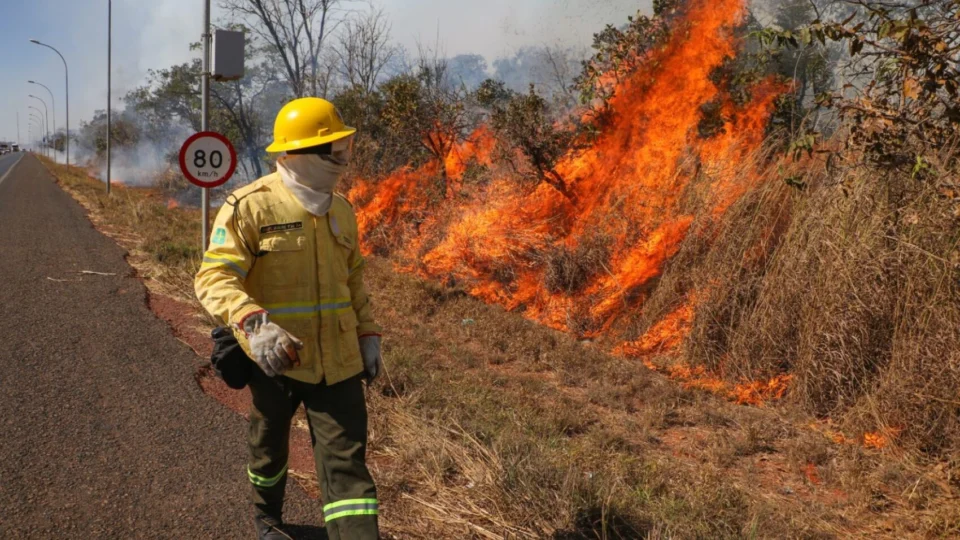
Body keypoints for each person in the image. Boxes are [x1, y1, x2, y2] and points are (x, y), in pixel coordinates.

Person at [195, 97, 383, 540]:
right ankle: (268, 517)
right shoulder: (250, 206)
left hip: (339, 363)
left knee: (348, 467)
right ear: (297, 153)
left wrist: (368, 333)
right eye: (333, 150)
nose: (343, 159)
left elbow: (354, 281)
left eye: (344, 148)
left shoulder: (342, 211)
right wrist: (252, 323)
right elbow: (214, 277)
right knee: (268, 447)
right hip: (277, 360)